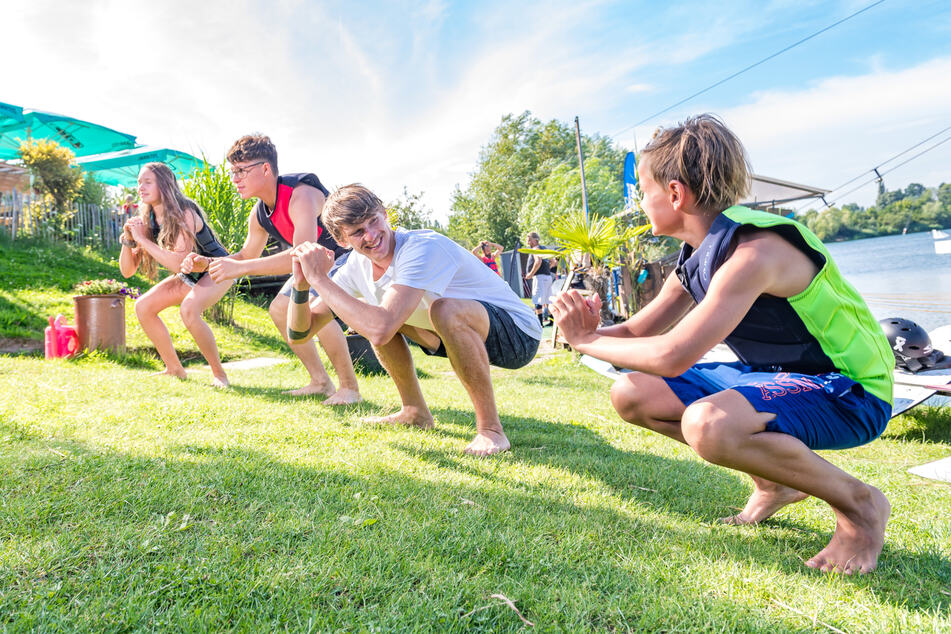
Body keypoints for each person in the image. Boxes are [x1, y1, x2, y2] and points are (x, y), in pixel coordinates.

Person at [551, 114, 893, 575]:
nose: (640, 204)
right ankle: (775, 484)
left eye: (643, 192)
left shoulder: (755, 253)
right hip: (779, 381)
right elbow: (637, 333)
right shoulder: (696, 256)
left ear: (674, 193)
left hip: (850, 391)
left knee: (709, 425)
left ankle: (860, 507)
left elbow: (673, 356)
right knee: (632, 393)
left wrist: (585, 340)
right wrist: (581, 331)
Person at [288, 184, 542, 456]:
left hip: (519, 335)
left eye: (374, 221)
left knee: (436, 311)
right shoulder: (354, 266)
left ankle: (491, 431)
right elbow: (301, 334)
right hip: (449, 334)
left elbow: (381, 328)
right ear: (342, 240)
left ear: (385, 214)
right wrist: (302, 285)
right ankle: (414, 412)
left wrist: (319, 278)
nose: (372, 235)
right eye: (358, 232)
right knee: (372, 311)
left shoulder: (421, 247)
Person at [181, 134, 361, 405]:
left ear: (266, 168)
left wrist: (237, 269)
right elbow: (245, 255)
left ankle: (349, 389)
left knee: (313, 309)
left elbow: (303, 252)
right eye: (233, 172)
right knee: (279, 309)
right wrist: (207, 263)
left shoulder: (300, 194)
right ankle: (321, 382)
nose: (235, 178)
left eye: (241, 171)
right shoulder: (260, 213)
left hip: (345, 259)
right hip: (314, 265)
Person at [119, 162, 233, 387]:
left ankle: (220, 375)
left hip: (219, 268)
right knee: (143, 307)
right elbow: (127, 271)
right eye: (139, 182)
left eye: (148, 182)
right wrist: (129, 239)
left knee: (189, 310)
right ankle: (174, 369)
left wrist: (142, 240)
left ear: (164, 184)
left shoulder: (185, 212)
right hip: (190, 273)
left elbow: (180, 262)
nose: (141, 187)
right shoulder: (149, 218)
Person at [524, 231, 555, 326]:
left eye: (529, 240)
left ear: (535, 240)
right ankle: (551, 321)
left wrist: (530, 274)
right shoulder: (544, 249)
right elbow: (553, 262)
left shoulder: (535, 249)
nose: (528, 242)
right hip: (547, 276)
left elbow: (538, 261)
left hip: (539, 277)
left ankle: (540, 323)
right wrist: (546, 269)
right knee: (548, 300)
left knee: (538, 300)